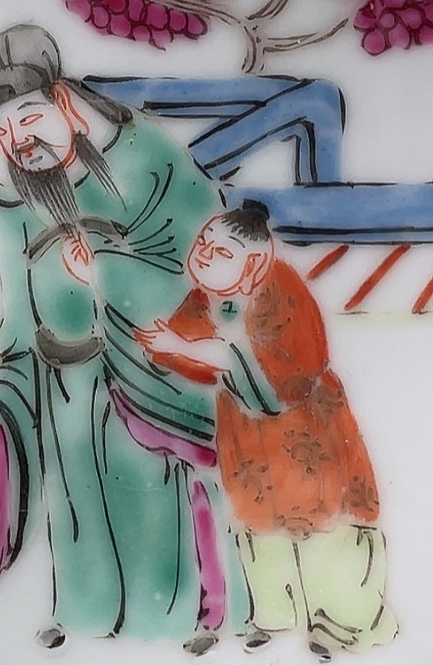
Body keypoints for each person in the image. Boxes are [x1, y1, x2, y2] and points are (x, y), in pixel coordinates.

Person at [0, 24, 277, 653]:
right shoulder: (8, 198)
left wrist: (104, 270)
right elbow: (20, 306)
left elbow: (199, 265)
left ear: (65, 102)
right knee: (77, 502)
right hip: (63, 380)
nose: (17, 140)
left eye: (29, 117)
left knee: (156, 498)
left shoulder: (146, 160)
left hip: (151, 371)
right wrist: (6, 387)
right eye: (2, 128)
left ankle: (184, 618)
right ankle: (85, 612)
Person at [136, 202, 398, 662]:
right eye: (204, 243)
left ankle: (346, 620)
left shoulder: (282, 290)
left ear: (255, 263)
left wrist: (194, 348)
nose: (204, 255)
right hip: (246, 433)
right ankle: (277, 615)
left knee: (326, 519)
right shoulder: (203, 297)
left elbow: (290, 367)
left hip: (306, 426)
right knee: (258, 518)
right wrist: (171, 347)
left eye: (221, 252)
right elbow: (186, 348)